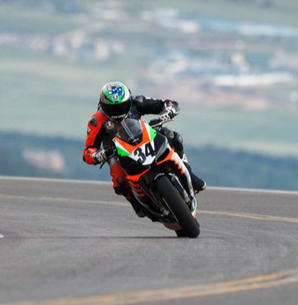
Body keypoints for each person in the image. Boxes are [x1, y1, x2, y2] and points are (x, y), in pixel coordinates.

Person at [83, 81, 206, 217]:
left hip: (142, 137)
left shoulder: (138, 102)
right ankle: (135, 203)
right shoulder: (96, 121)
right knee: (119, 181)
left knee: (173, 137)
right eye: (113, 109)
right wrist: (97, 155)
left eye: (122, 106)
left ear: (128, 100)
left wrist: (168, 112)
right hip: (116, 152)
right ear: (103, 106)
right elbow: (88, 150)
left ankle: (189, 173)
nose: (118, 111)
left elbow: (167, 104)